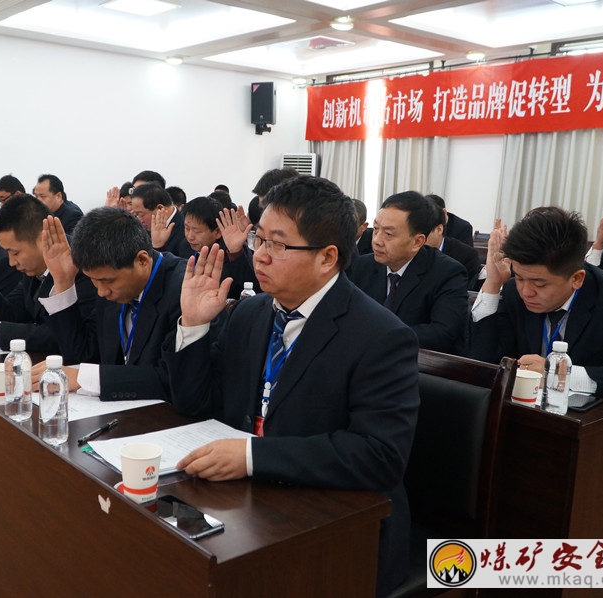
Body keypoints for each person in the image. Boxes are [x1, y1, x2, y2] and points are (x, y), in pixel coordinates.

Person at [161, 176, 418, 597]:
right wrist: (193, 325)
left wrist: (251, 456)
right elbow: (196, 403)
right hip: (248, 507)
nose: (259, 255)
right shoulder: (250, 314)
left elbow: (379, 456)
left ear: (327, 257)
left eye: (278, 245)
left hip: (338, 529)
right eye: (259, 239)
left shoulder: (381, 336)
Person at [470, 207, 603, 496]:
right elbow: (482, 364)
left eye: (539, 283)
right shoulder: (513, 292)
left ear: (577, 278)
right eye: (519, 278)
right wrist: (494, 285)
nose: (526, 292)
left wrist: (558, 373)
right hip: (534, 430)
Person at [37, 207, 187, 401]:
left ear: (142, 260)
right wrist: (63, 282)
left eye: (107, 281)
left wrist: (85, 378)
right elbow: (85, 354)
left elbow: (170, 378)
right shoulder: (111, 284)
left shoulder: (183, 290)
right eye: (93, 281)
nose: (101, 292)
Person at [0, 194, 95, 352]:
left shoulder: (82, 265)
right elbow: (11, 316)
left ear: (43, 239)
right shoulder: (33, 269)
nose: (11, 262)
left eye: (15, 252)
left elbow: (64, 336)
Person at [350, 191, 469, 355]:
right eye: (376, 229)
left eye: (388, 234)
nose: (376, 240)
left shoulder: (448, 273)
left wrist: (381, 337)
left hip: (418, 364)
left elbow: (442, 333)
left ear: (417, 242)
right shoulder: (362, 266)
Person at [425, 196, 483, 290]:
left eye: (423, 232)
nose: (417, 238)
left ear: (439, 229)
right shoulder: (410, 251)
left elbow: (467, 291)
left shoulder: (466, 256)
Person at [130, 182, 192, 258]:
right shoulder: (143, 230)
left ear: (160, 208)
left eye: (141, 215)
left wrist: (158, 247)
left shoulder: (186, 232)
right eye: (136, 215)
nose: (139, 220)